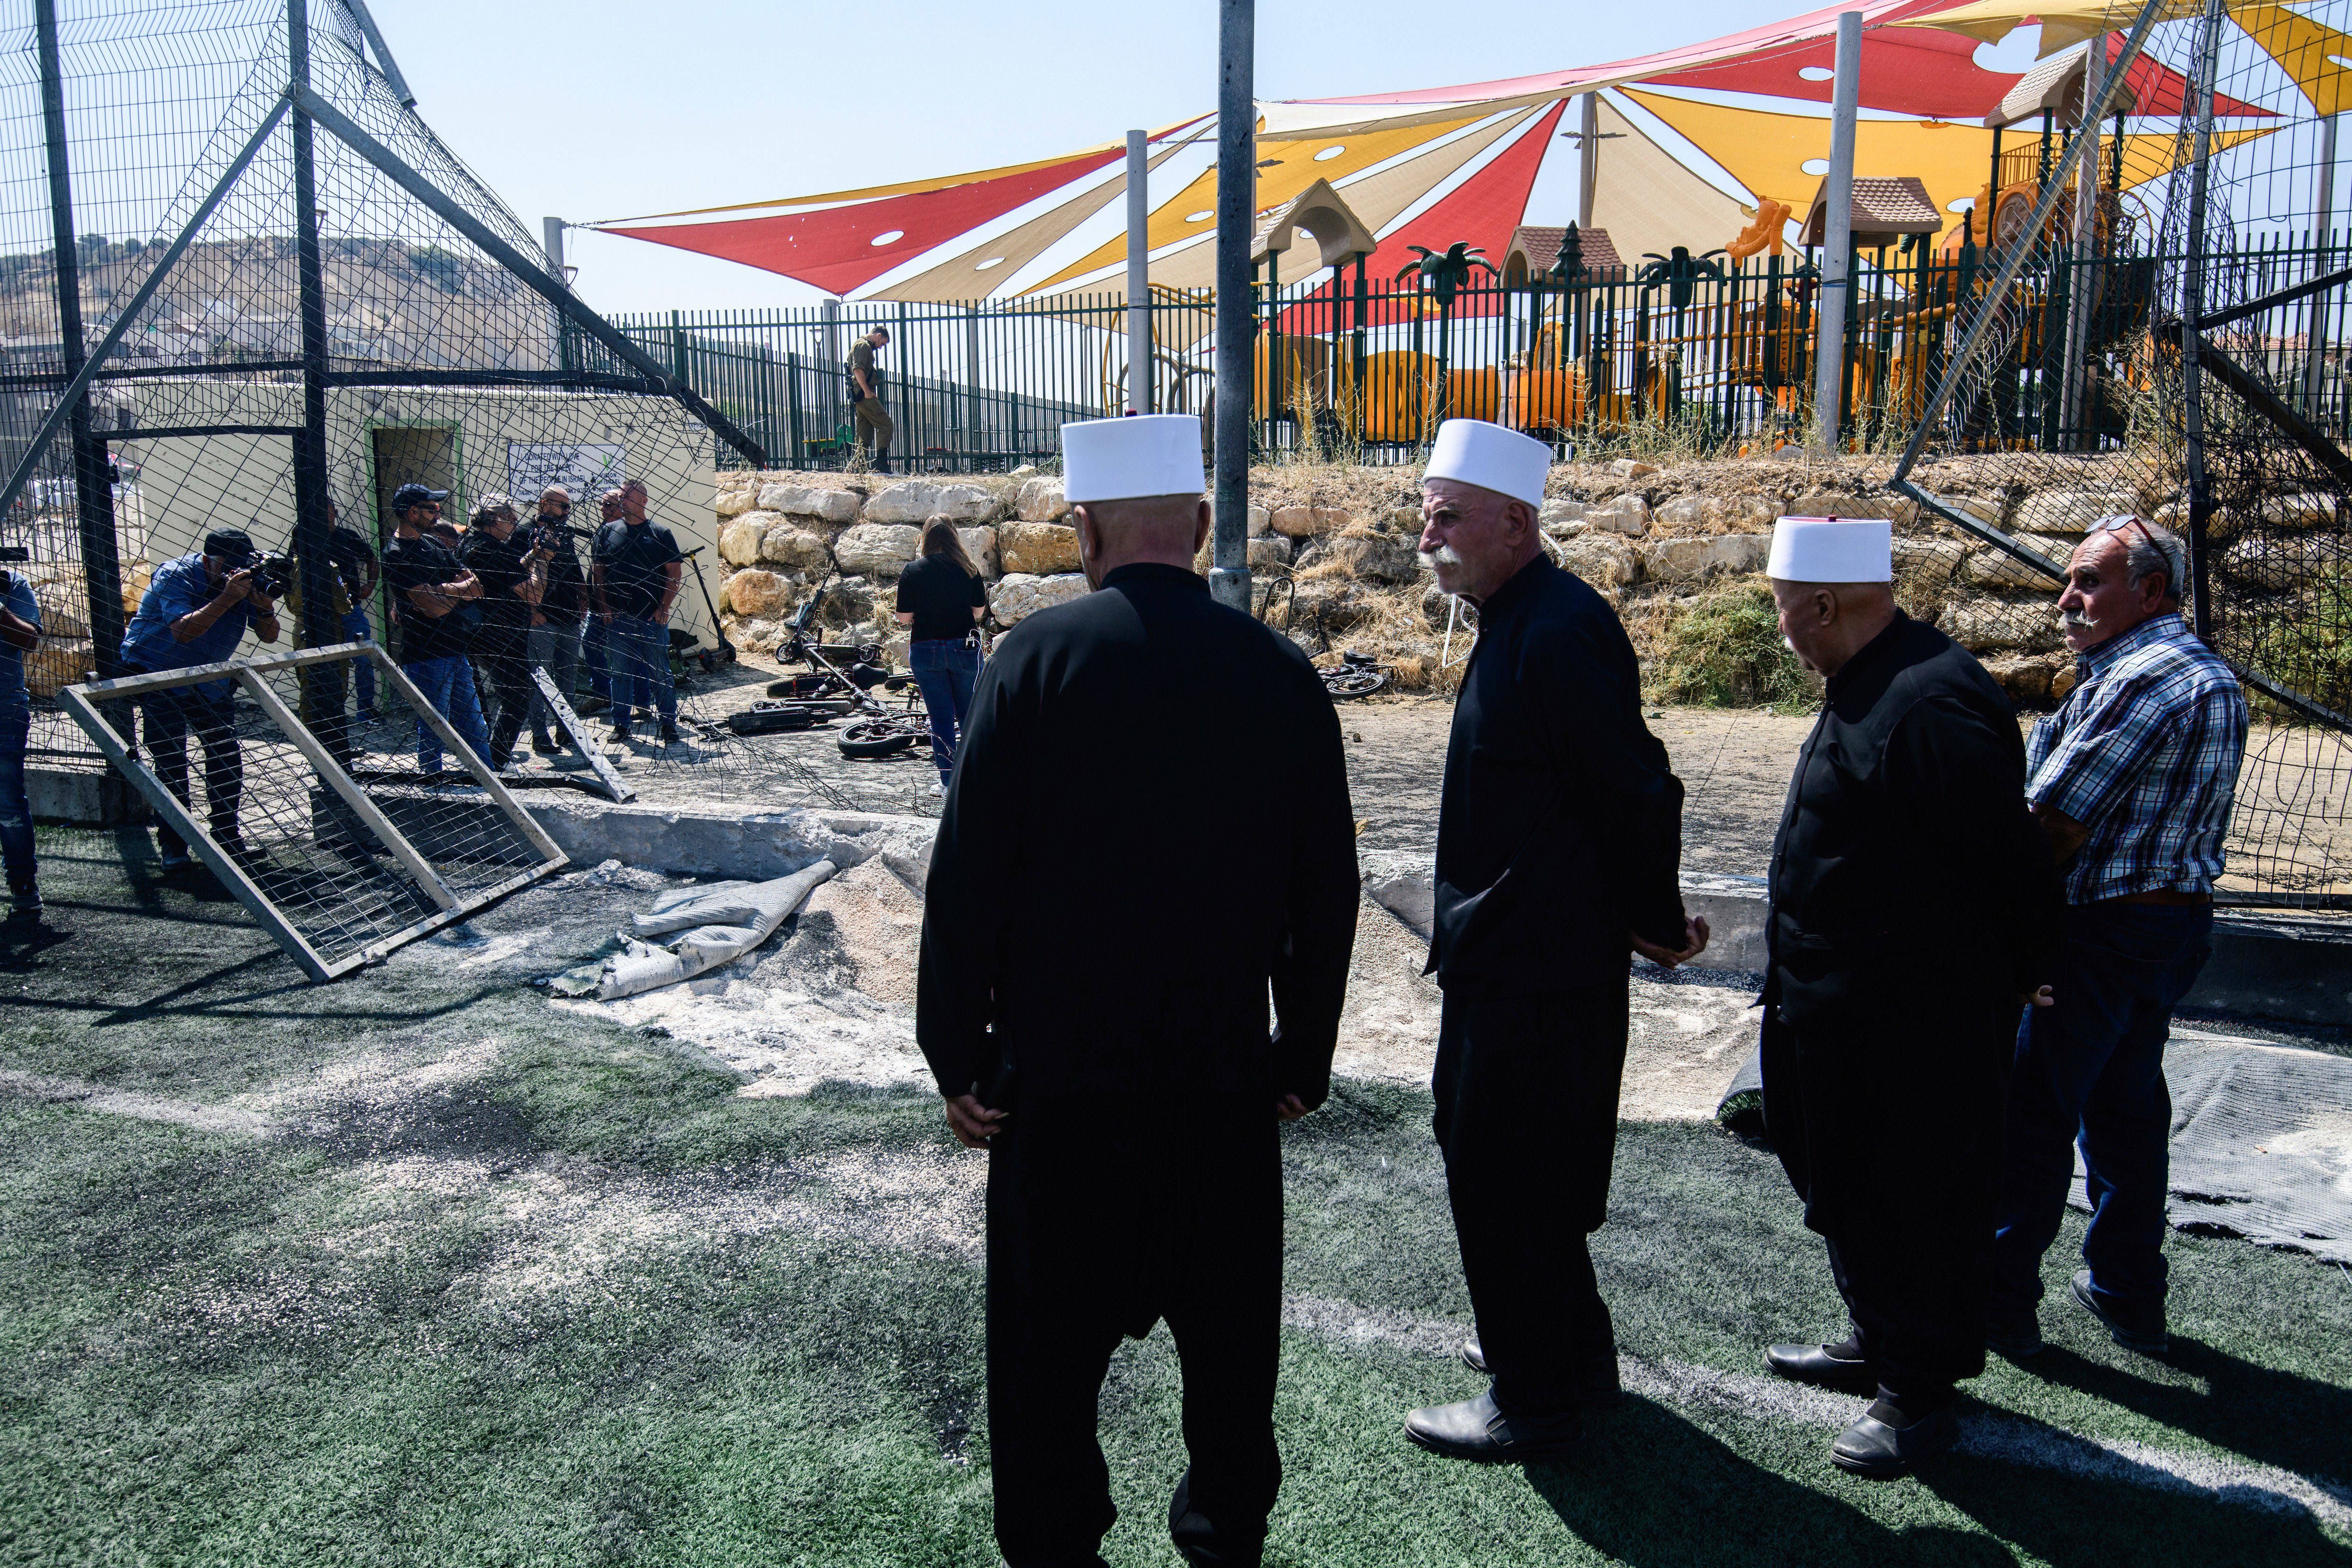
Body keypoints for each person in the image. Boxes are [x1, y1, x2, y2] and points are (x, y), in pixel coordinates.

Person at [917, 414, 1358, 1568]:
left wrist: (955, 1056)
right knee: (1229, 1356)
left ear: (1083, 530)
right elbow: (1328, 892)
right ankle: (1223, 1539)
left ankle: (1058, 1546)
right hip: (1221, 1082)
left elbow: (967, 878)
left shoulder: (1032, 661)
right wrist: (1300, 1057)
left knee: (1046, 1361)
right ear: (1204, 525)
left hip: (1058, 1085)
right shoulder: (1279, 673)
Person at [1398, 419, 1708, 1465]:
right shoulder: (1520, 618)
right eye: (1424, 511)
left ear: (1514, 521)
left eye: (1445, 514)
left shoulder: (1558, 627)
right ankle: (1577, 1364)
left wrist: (1656, 924)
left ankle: (1532, 1397)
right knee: (1516, 1171)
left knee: (1504, 1178)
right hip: (1519, 957)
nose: (1425, 531)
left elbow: (1636, 789)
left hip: (1534, 968)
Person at [1757, 516, 2059, 1478]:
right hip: (1832, 1006)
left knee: (1913, 1196)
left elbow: (2005, 863)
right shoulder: (1866, 678)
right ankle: (1878, 1333)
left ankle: (1918, 1389)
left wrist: (2022, 972)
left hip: (1909, 1025)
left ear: (1821, 604)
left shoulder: (1929, 700)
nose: (1780, 631)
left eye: (1781, 612)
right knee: (1846, 1183)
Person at [1990, 516, 2247, 1359]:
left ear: (2151, 590)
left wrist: (2001, 931)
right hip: (2172, 925)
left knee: (2033, 1111)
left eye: (2090, 582)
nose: (2069, 599)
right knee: (2128, 1109)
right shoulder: (2209, 673)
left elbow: (2055, 825)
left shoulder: (2141, 679)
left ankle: (1998, 1300)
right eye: (2069, 581)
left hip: (2099, 930)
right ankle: (2127, 1290)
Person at [118, 526, 281, 870]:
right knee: (171, 759)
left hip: (207, 677)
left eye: (241, 567)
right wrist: (227, 597)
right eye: (228, 567)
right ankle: (175, 846)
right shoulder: (176, 574)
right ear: (210, 560)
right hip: (158, 670)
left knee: (225, 753)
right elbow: (184, 631)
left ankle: (227, 837)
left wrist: (264, 606)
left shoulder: (244, 581)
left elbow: (269, 637)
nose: (235, 574)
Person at [378, 482, 491, 775]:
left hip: (455, 647)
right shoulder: (395, 553)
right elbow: (431, 606)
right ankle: (433, 787)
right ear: (412, 512)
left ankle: (489, 781)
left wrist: (442, 593)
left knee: (474, 726)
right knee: (434, 728)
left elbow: (476, 586)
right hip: (426, 654)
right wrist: (452, 594)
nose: (438, 515)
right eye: (432, 509)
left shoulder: (434, 544)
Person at [894, 518, 987, 794]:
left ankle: (948, 783)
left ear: (925, 538)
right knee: (970, 716)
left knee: (940, 718)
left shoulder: (912, 571)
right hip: (964, 649)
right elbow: (979, 612)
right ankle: (974, 779)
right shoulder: (969, 570)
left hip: (926, 649)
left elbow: (903, 618)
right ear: (955, 538)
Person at [590, 477, 682, 745]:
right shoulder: (607, 532)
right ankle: (621, 725)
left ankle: (668, 725)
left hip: (651, 618)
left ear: (643, 500)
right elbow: (599, 573)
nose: (622, 500)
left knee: (660, 673)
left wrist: (664, 607)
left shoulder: (660, 533)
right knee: (619, 674)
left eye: (628, 496)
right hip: (618, 619)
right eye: (621, 496)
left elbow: (674, 572)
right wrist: (604, 608)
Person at [459, 493, 545, 771]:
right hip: (501, 635)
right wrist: (543, 562)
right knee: (517, 698)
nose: (514, 523)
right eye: (510, 518)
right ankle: (495, 760)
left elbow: (508, 573)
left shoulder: (470, 544)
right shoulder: (493, 551)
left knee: (500, 696)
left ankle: (490, 757)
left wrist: (531, 555)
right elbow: (533, 594)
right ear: (494, 520)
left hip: (481, 631)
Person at [524, 485, 589, 753]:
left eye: (568, 508)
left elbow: (574, 570)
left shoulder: (564, 534)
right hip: (543, 618)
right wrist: (533, 612)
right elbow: (518, 575)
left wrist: (583, 602)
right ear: (544, 505)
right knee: (539, 678)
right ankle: (540, 735)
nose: (566, 512)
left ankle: (568, 733)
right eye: (561, 507)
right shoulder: (526, 533)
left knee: (567, 678)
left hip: (570, 617)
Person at [0, 557, 43, 913]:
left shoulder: (11, 583)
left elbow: (28, 640)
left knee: (8, 802)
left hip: (3, 707)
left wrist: (0, 612)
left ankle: (23, 885)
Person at [326, 501, 381, 723]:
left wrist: (370, 585)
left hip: (351, 608)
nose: (327, 516)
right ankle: (331, 714)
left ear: (336, 514)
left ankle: (366, 711)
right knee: (328, 663)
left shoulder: (347, 536)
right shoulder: (304, 536)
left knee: (363, 658)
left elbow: (371, 559)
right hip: (320, 610)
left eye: (329, 512)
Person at [577, 489, 623, 715]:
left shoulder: (626, 532)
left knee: (625, 653)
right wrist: (587, 599)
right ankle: (604, 693)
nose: (603, 509)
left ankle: (632, 699)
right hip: (598, 606)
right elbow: (595, 572)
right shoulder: (601, 532)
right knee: (591, 644)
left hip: (620, 607)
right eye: (602, 505)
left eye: (609, 505)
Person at [847, 326, 893, 474]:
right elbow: (858, 370)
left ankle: (858, 466)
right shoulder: (863, 346)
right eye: (883, 343)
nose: (881, 347)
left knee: (864, 432)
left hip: (860, 395)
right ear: (878, 336)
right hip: (863, 394)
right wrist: (867, 391)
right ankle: (881, 463)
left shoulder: (861, 345)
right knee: (886, 425)